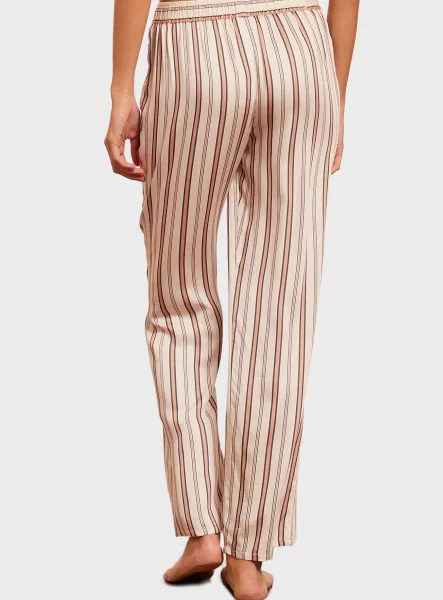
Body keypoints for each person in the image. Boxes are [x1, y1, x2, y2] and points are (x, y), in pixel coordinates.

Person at [105, 0, 359, 597]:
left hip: (196, 49)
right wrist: (336, 94)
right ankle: (248, 556)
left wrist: (121, 89)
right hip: (301, 50)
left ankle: (203, 529)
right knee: (281, 310)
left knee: (179, 297)